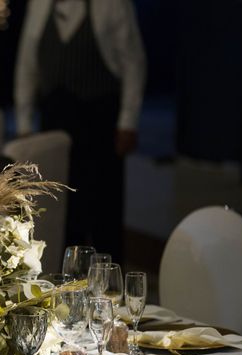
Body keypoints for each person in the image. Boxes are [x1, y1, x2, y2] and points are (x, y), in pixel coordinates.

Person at [14, 0, 146, 261]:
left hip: (99, 120)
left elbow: (134, 63)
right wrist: (24, 123)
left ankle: (109, 288)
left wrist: (128, 122)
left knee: (104, 209)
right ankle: (62, 286)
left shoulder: (114, 5)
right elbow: (27, 63)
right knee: (58, 207)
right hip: (54, 120)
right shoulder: (39, 5)